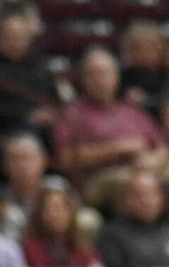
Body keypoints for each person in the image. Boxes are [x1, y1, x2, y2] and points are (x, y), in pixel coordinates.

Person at [54, 46, 165, 208]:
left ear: (116, 77)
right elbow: (66, 158)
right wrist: (116, 148)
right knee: (133, 184)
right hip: (100, 179)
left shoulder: (132, 110)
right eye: (93, 74)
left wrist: (152, 159)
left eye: (105, 73)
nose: (100, 80)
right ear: (83, 79)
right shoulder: (72, 114)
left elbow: (162, 148)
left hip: (145, 171)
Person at [0, 9, 59, 146]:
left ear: (29, 40)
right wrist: (26, 115)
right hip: (2, 133)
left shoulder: (40, 67)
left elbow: (53, 99)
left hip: (41, 132)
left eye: (18, 38)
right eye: (8, 37)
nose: (13, 43)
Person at [98, 167, 169, 267]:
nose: (146, 201)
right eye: (138, 195)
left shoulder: (166, 231)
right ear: (126, 199)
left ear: (161, 198)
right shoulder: (111, 235)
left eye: (151, 194)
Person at [23, 178, 103, 267]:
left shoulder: (82, 247)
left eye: (59, 208)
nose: (54, 215)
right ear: (39, 214)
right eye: (48, 209)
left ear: (70, 211)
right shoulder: (30, 248)